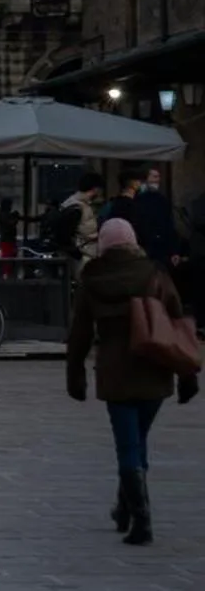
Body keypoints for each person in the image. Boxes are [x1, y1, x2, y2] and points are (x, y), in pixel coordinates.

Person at [66, 218, 198, 546]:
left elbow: (79, 333)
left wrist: (75, 375)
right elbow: (177, 324)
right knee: (138, 442)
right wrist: (188, 374)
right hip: (155, 367)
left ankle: (141, 520)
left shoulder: (92, 278)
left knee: (128, 447)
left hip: (116, 371)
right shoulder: (155, 274)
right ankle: (125, 510)